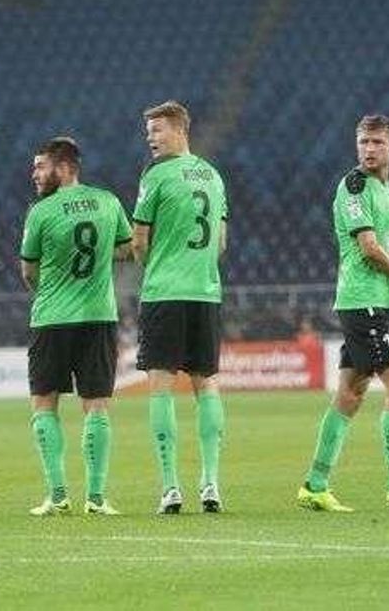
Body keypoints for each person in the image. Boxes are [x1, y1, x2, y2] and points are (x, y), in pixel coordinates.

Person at [297, 113, 389, 513]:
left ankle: (315, 485)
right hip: (362, 302)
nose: (369, 149)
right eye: (363, 142)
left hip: (375, 301)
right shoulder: (354, 186)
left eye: (376, 142)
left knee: (350, 394)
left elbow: (386, 248)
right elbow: (371, 249)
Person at [19, 137, 133, 516]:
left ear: (64, 166)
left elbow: (28, 270)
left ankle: (57, 495)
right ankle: (97, 498)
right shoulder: (109, 201)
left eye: (40, 166)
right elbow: (127, 248)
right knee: (96, 406)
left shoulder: (41, 212)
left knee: (44, 404)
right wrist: (99, 261)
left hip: (52, 318)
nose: (34, 174)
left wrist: (50, 290)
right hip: (99, 316)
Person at [132, 100, 228, 514]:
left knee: (161, 386)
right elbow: (221, 241)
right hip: (205, 291)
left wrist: (155, 266)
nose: (151, 138)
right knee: (206, 383)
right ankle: (211, 483)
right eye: (148, 132)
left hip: (164, 293)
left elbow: (138, 241)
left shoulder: (156, 176)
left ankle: (171, 487)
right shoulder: (213, 175)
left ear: (179, 130)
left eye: (158, 130)